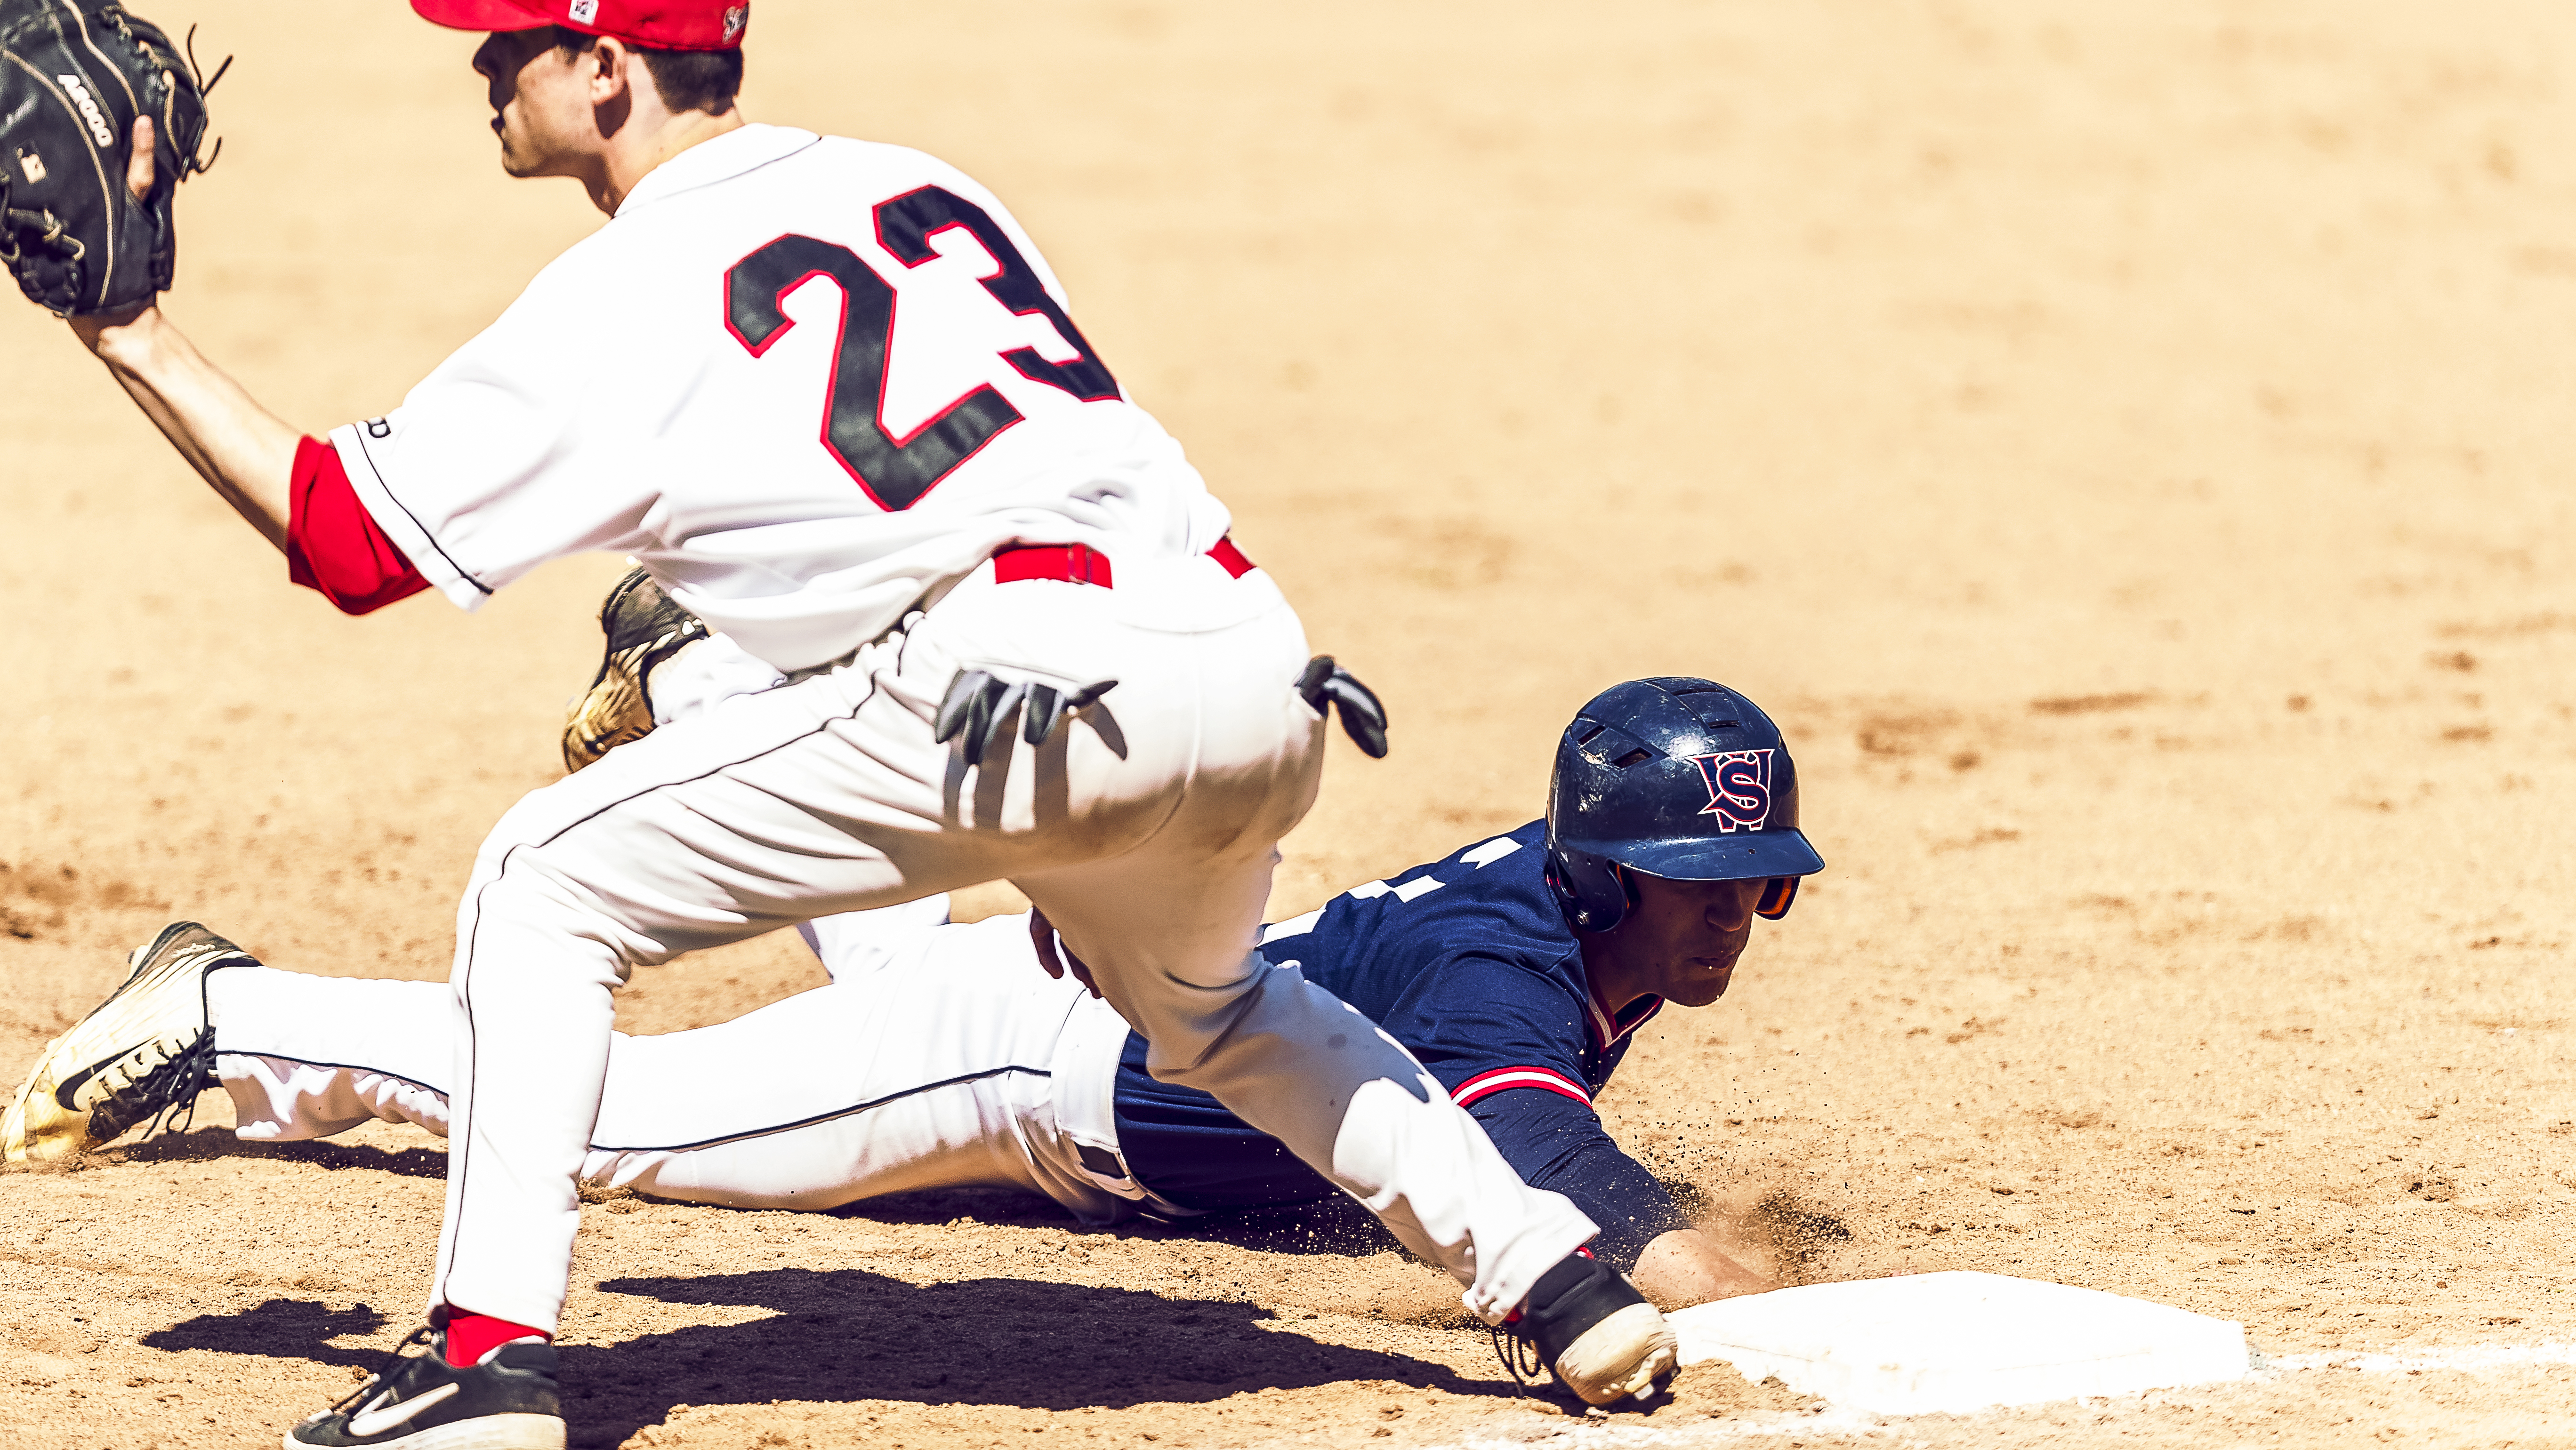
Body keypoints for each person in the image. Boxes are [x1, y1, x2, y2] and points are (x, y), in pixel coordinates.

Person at [31, 0, 1673, 1445]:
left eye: (512, 36)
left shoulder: (626, 289)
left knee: (541, 881)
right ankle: (1550, 1276)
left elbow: (347, 540)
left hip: (1018, 685)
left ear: (607, 70)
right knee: (1219, 1009)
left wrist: (130, 330)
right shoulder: (923, 181)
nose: (481, 61)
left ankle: (481, 1365)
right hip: (1253, 666)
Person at [4, 676, 1814, 1333]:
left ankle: (710, 677)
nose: (1739, 918)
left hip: (1065, 999)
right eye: (1707, 888)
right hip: (1020, 1077)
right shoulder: (1507, 968)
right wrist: (1731, 1271)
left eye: (1761, 885)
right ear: (1606, 874)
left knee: (902, 938)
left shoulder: (1552, 883)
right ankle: (237, 1016)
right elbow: (1567, 1192)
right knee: (615, 1121)